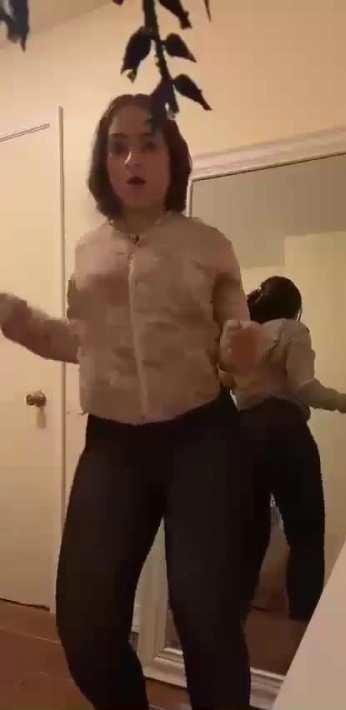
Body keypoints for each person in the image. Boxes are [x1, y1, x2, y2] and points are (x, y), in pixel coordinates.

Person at [0, 94, 260, 710]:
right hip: (113, 445)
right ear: (103, 161)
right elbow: (85, 343)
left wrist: (241, 348)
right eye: (117, 147)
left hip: (202, 438)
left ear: (173, 156)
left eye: (148, 144)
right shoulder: (89, 251)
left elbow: (236, 354)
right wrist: (20, 321)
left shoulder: (209, 244)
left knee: (206, 618)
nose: (132, 160)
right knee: (85, 625)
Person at [222, 276, 346, 624]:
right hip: (284, 429)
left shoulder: (243, 335)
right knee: (306, 530)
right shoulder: (292, 330)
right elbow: (304, 386)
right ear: (293, 306)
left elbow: (226, 382)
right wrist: (340, 400)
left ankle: (233, 616)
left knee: (249, 531)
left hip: (243, 432)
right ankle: (304, 623)